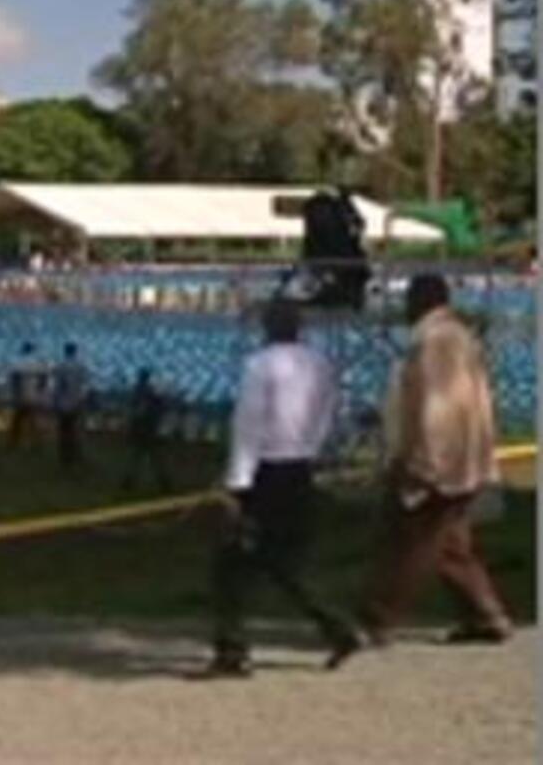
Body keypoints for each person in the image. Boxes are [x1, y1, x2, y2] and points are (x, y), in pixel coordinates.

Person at [200, 299, 361, 678]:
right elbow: (327, 413)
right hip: (300, 468)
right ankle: (336, 629)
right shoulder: (320, 363)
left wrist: (236, 483)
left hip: (265, 472)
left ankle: (232, 649)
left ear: (268, 326)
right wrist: (311, 449)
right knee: (284, 561)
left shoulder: (260, 365)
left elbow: (249, 425)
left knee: (231, 563)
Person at [356, 273, 512, 647]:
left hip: (439, 462)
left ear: (422, 301)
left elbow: (436, 407)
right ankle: (485, 613)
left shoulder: (434, 342)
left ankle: (376, 619)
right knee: (450, 542)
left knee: (408, 541)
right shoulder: (459, 338)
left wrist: (424, 463)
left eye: (410, 299)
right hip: (465, 458)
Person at [120, 368, 174, 494]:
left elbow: (135, 411)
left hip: (140, 428)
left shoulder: (137, 391)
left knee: (136, 456)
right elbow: (161, 407)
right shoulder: (152, 392)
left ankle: (129, 480)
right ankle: (163, 481)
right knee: (155, 456)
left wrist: (130, 427)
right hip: (149, 428)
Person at [51, 342, 90, 470]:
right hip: (77, 401)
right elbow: (85, 384)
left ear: (65, 351)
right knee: (75, 429)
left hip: (63, 403)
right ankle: (76, 454)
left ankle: (65, 456)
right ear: (75, 351)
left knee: (63, 430)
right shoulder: (81, 366)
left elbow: (57, 386)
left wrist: (55, 401)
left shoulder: (60, 366)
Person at [7, 343, 45, 450]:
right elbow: (43, 378)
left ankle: (14, 442)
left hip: (21, 394)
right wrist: (40, 389)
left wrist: (16, 394)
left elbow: (15, 380)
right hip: (34, 394)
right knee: (33, 420)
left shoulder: (18, 362)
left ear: (23, 350)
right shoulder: (37, 363)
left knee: (17, 420)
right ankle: (36, 442)